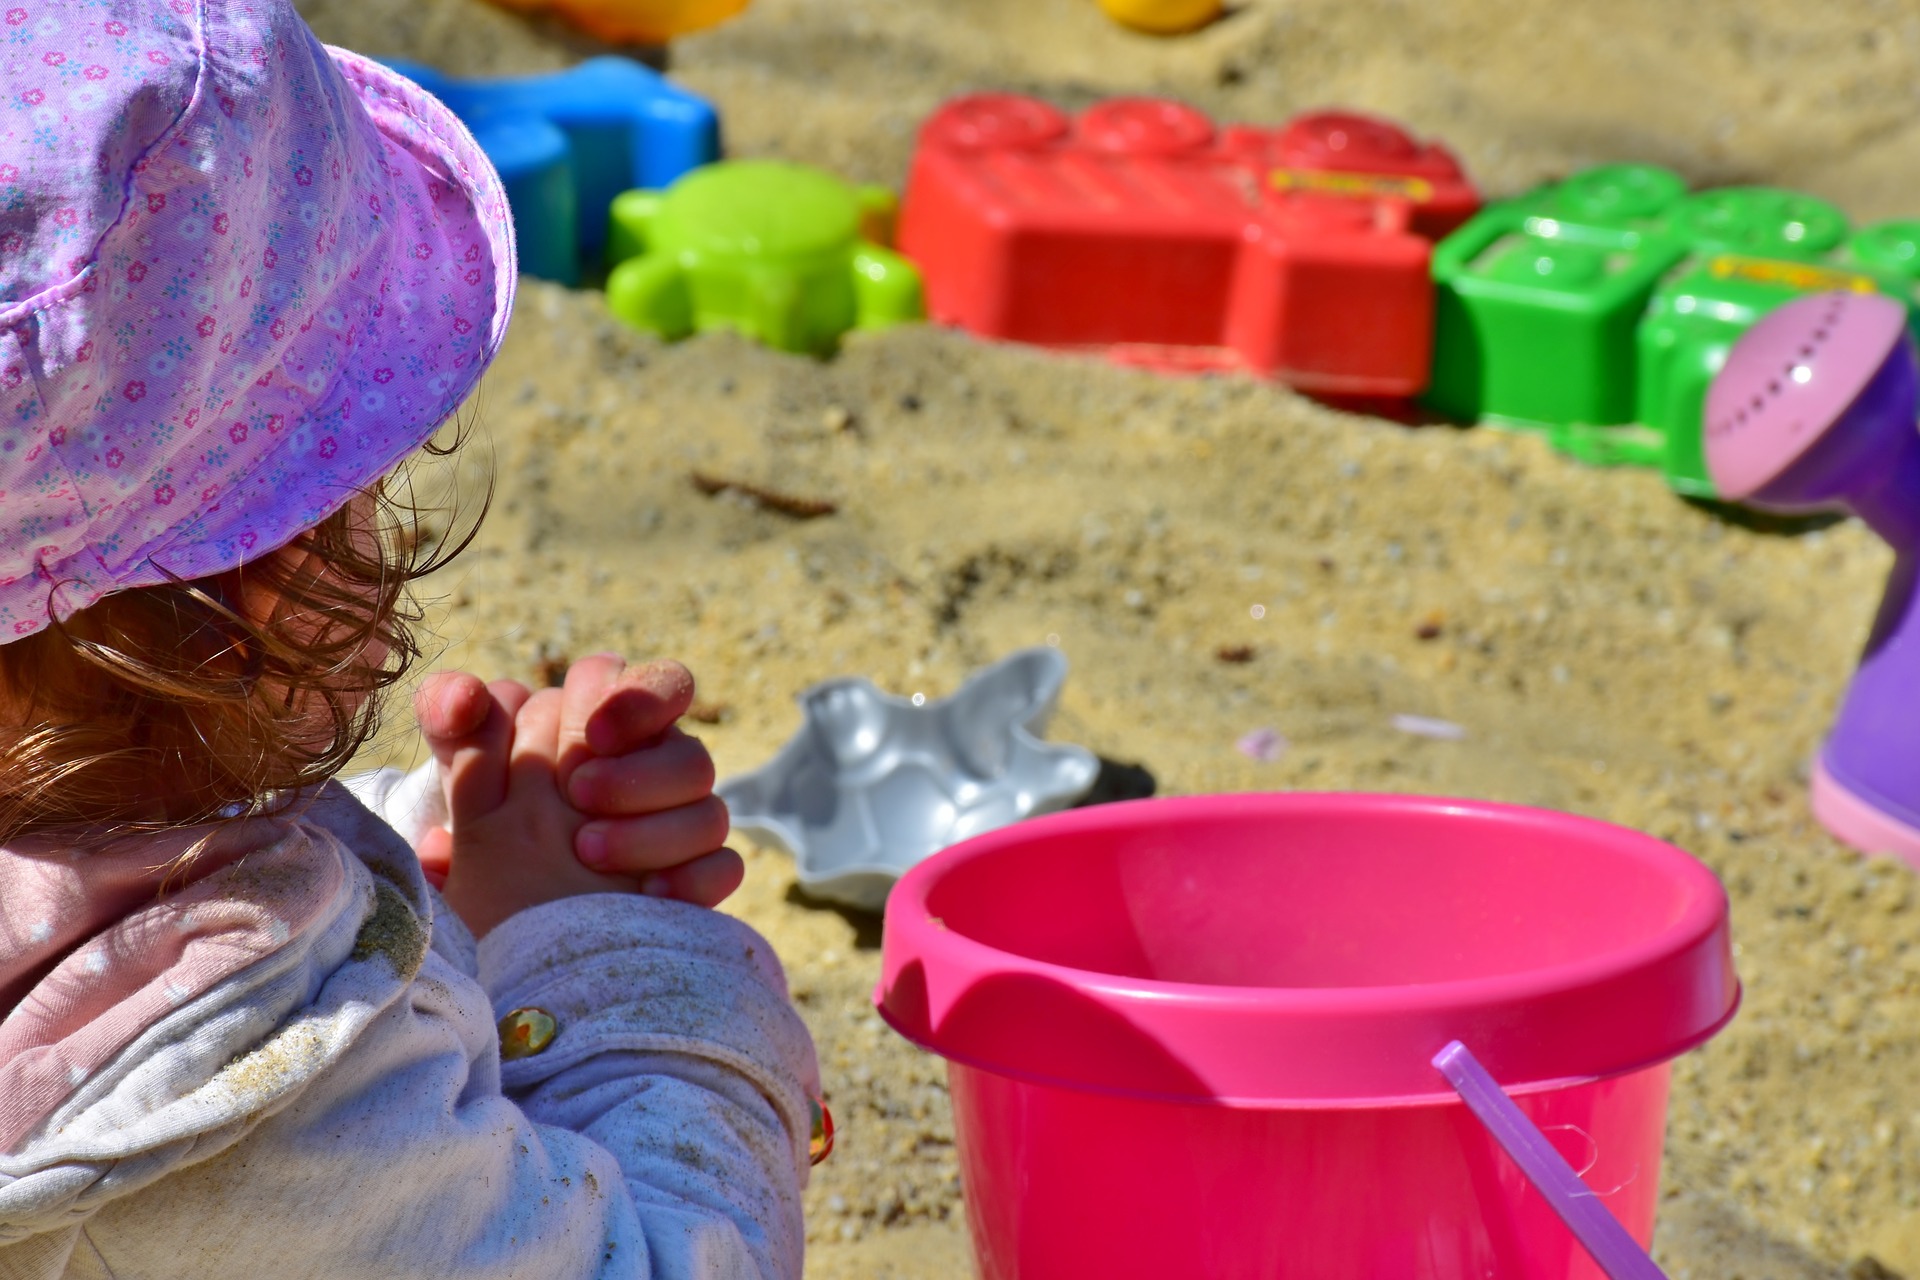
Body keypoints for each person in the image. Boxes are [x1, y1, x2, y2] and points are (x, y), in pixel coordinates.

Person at [0, 3, 820, 1277]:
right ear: (247, 593)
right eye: (350, 475)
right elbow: (657, 1258)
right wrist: (611, 967)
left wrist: (438, 870)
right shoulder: (229, 1085)